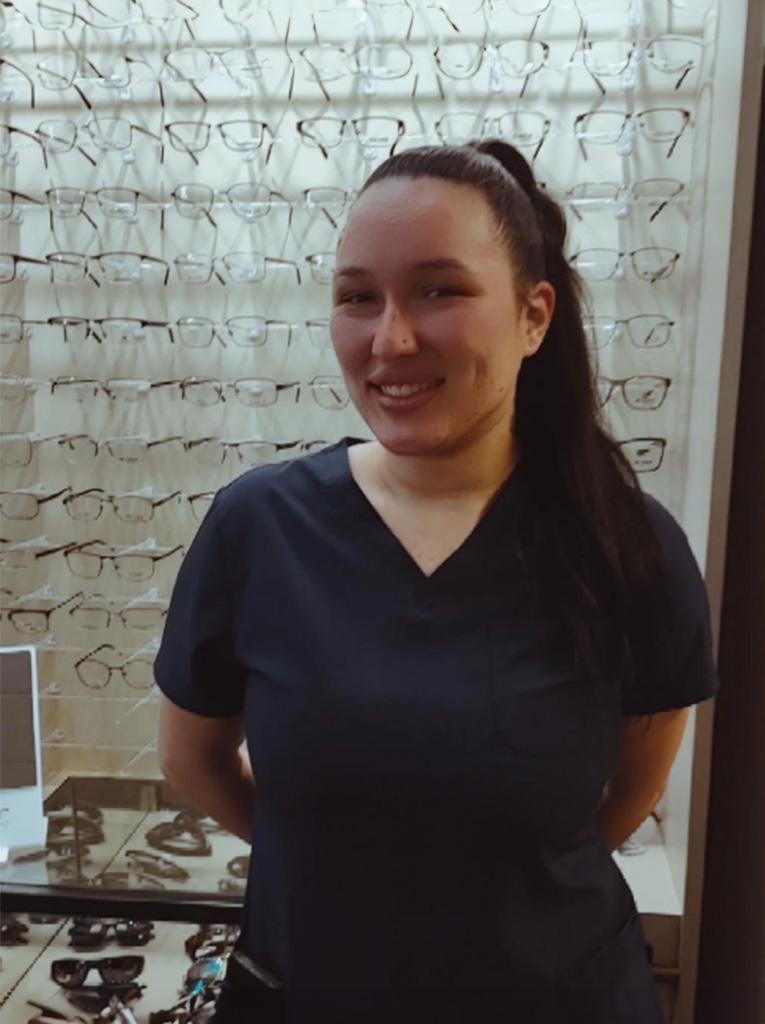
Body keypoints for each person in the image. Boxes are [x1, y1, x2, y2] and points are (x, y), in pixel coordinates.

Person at [154, 140, 720, 1024]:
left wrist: (491, 888)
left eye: (439, 290)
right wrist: (337, 872)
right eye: (357, 297)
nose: (390, 340)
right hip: (318, 990)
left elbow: (628, 794)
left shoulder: (627, 545)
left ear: (533, 316)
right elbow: (192, 760)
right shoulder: (259, 528)